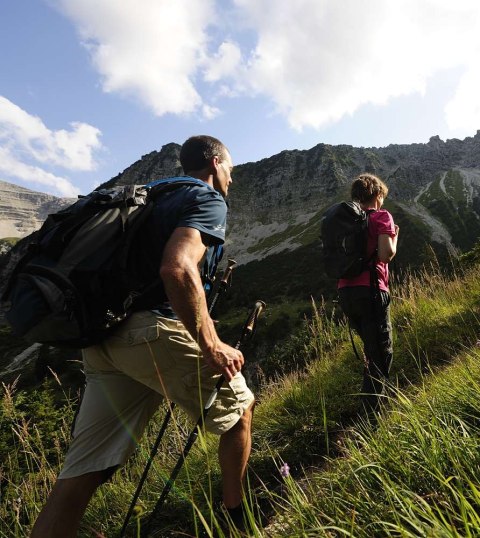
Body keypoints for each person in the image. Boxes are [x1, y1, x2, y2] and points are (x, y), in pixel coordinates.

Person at [31, 135, 255, 537]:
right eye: (231, 170)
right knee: (239, 413)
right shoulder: (207, 198)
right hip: (148, 333)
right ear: (216, 162)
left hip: (103, 341)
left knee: (81, 473)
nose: (231, 180)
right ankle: (238, 520)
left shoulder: (151, 195)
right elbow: (177, 268)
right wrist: (211, 343)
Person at [337, 173, 399, 412]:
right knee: (382, 354)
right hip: (371, 291)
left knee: (370, 351)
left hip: (345, 293)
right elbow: (386, 255)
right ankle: (371, 418)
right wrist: (393, 235)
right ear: (378, 195)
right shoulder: (382, 216)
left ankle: (369, 406)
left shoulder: (346, 223)